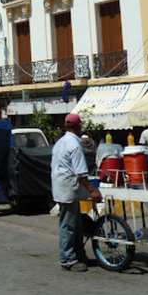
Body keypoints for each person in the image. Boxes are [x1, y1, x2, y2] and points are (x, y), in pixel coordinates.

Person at [51, 113, 102, 272]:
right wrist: (93, 191)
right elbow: (81, 174)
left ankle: (79, 254)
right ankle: (67, 259)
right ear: (78, 126)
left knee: (76, 224)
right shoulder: (74, 145)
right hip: (67, 188)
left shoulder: (60, 142)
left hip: (61, 186)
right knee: (69, 225)